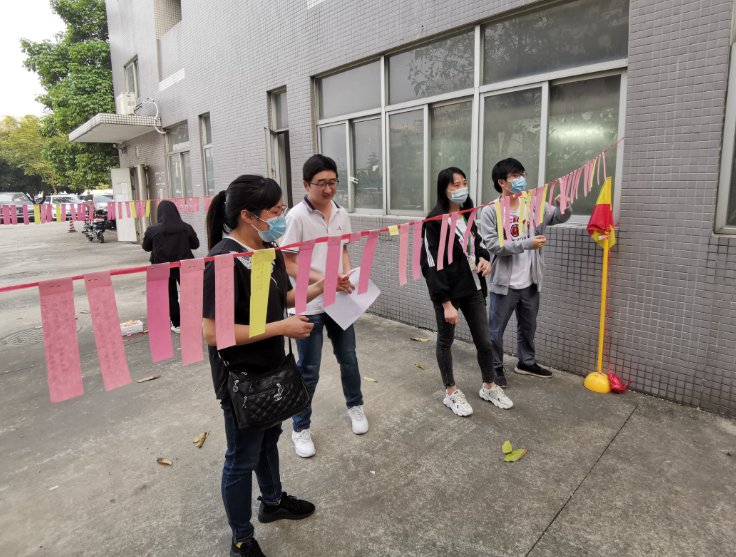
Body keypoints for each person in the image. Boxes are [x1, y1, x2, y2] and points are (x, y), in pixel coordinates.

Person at [202, 176, 325, 557]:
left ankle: (272, 501)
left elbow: (279, 298)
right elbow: (213, 333)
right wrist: (281, 328)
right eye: (275, 210)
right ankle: (241, 538)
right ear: (248, 215)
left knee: (269, 440)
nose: (282, 216)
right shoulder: (223, 261)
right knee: (241, 459)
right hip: (242, 378)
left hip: (272, 370)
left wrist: (323, 286)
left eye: (282, 208)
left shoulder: (266, 249)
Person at [280, 154, 367, 459]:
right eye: (321, 183)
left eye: (332, 182)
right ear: (306, 184)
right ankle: (300, 427)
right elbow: (288, 263)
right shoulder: (296, 217)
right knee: (308, 369)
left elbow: (342, 250)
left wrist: (346, 274)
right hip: (308, 304)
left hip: (339, 298)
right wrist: (328, 280)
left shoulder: (341, 213)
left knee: (349, 359)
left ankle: (355, 406)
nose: (328, 189)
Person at [420, 167, 514, 417]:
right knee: (445, 341)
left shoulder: (467, 214)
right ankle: (451, 392)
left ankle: (489, 387)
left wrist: (485, 259)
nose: (462, 189)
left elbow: (478, 245)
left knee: (485, 341)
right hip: (449, 293)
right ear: (444, 189)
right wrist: (445, 303)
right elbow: (430, 265)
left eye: (464, 183)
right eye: (456, 184)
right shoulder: (433, 221)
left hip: (473, 288)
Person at [480, 158, 572, 385]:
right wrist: (527, 244)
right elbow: (493, 245)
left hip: (531, 281)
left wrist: (563, 205)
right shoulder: (491, 211)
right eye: (515, 176)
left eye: (522, 174)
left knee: (529, 326)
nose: (521, 179)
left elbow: (558, 217)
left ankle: (526, 362)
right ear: (502, 182)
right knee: (495, 330)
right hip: (505, 283)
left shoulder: (534, 205)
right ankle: (495, 367)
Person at [142, 199, 199, 333]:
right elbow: (195, 245)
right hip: (186, 266)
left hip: (161, 267)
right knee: (190, 293)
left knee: (170, 296)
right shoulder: (186, 227)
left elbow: (146, 247)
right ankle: (195, 320)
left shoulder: (153, 229)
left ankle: (177, 324)